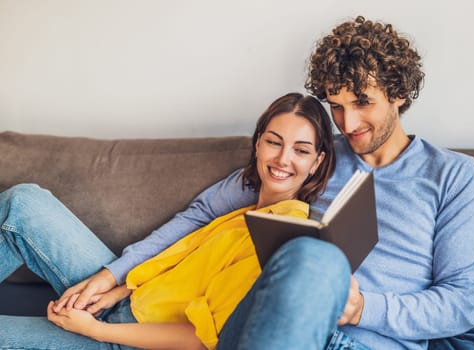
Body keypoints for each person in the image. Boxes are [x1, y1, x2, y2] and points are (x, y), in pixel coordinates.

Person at [62, 15, 474, 349]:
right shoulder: (310, 154)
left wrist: (362, 308)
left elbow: (464, 303)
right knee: (311, 255)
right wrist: (114, 272)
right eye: (336, 106)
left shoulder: (452, 174)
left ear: (399, 93)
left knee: (319, 261)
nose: (348, 123)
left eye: (362, 103)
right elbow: (206, 211)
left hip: (364, 341)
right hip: (268, 322)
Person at [0, 92, 335, 349]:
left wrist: (96, 330)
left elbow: (201, 339)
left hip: (127, 339)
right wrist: (116, 288)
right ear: (258, 143)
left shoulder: (282, 232)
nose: (282, 159)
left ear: (317, 162)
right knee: (24, 202)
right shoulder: (244, 206)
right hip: (124, 300)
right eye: (274, 142)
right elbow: (179, 268)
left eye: (301, 151)